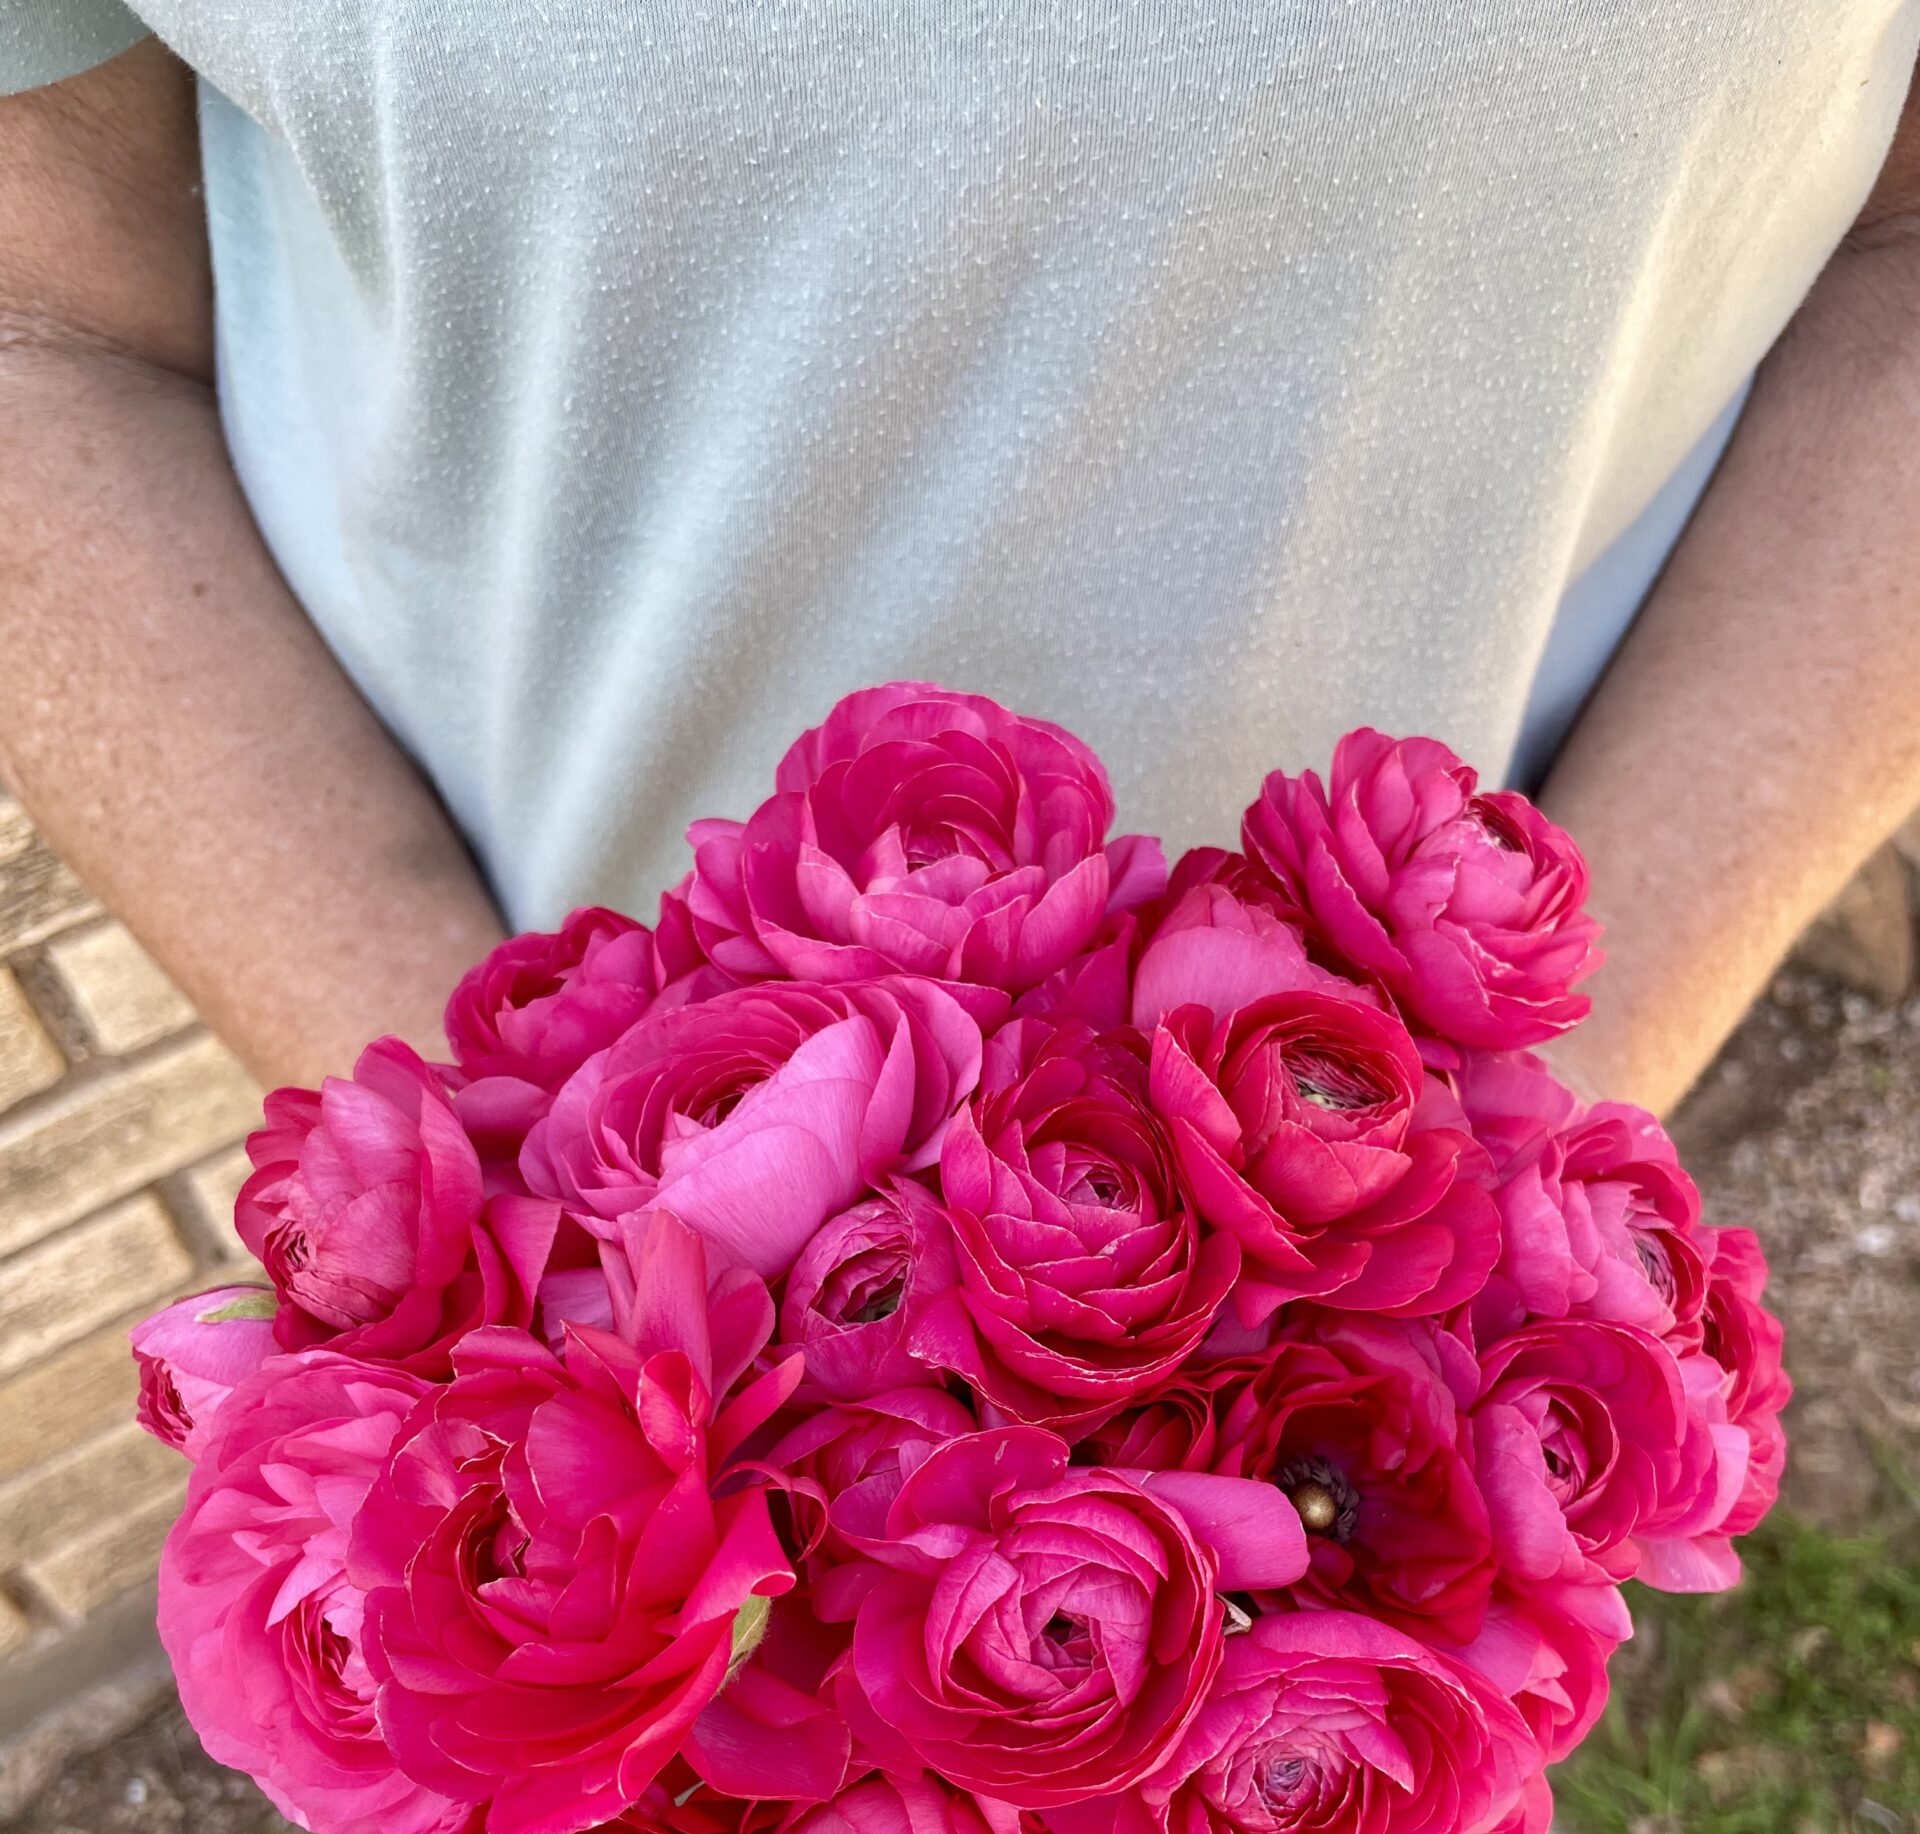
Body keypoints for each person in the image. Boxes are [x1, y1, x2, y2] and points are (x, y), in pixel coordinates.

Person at [2, 5, 1918, 1115]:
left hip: (1445, 1118)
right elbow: (41, 310)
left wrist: (1535, 1165)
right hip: (562, 1099)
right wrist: (514, 1218)